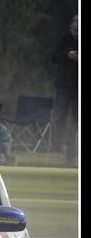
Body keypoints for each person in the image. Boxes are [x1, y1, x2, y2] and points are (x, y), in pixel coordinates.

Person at [50, 15, 78, 166]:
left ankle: (72, 152)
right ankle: (57, 144)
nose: (77, 33)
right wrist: (67, 55)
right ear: (70, 28)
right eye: (75, 30)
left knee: (76, 121)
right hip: (63, 86)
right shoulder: (64, 40)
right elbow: (53, 56)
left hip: (77, 88)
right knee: (60, 116)